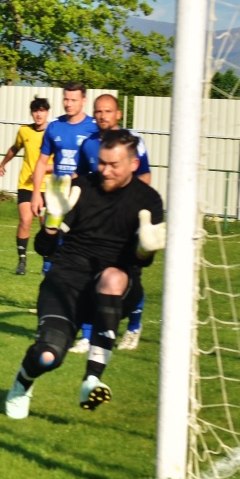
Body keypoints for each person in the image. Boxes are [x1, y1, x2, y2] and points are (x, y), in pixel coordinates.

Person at [4, 129, 166, 420]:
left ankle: (92, 379)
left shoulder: (148, 200)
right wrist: (52, 222)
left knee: (113, 277)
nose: (105, 170)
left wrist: (145, 250)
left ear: (133, 164)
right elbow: (44, 249)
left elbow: (140, 263)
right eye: (102, 162)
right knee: (48, 355)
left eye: (114, 165)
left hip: (115, 288)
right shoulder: (81, 188)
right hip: (65, 282)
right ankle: (22, 383)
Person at [74, 93, 152, 351]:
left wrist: (134, 210)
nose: (102, 116)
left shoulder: (133, 142)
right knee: (89, 272)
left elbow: (145, 177)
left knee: (128, 274)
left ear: (118, 114)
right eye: (98, 111)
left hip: (125, 219)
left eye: (108, 111)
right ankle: (87, 336)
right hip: (96, 221)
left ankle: (133, 328)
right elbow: (81, 178)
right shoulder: (88, 144)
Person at [28, 82, 99, 276]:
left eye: (73, 100)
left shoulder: (94, 128)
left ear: (84, 101)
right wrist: (36, 194)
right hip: (57, 196)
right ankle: (49, 282)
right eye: (66, 99)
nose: (68, 104)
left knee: (80, 244)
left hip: (83, 195)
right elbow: (42, 162)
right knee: (51, 241)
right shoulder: (54, 127)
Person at [0, 97, 50, 275]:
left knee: (46, 226)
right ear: (32, 113)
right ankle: (22, 261)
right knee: (25, 220)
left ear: (47, 112)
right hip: (26, 184)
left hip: (47, 186)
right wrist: (3, 164)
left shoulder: (53, 132)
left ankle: (47, 263)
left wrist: (43, 170)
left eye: (42, 110)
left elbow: (60, 161)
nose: (38, 114)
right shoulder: (24, 131)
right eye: (35, 111)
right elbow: (15, 148)